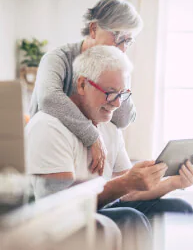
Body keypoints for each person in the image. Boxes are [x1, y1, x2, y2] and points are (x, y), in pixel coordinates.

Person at [26, 46, 167, 250]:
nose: (118, 103)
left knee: (177, 207)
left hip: (95, 209)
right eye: (110, 93)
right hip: (56, 223)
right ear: (82, 84)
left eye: (122, 94)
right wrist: (125, 183)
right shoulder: (48, 126)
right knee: (130, 218)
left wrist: (173, 182)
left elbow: (129, 192)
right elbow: (60, 207)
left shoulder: (109, 128)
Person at [29, 0, 143, 176]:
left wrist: (117, 82)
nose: (122, 48)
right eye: (118, 37)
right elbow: (49, 98)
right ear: (94, 29)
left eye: (128, 41)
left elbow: (123, 119)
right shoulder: (57, 59)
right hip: (49, 156)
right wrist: (93, 136)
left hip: (86, 165)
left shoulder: (117, 65)